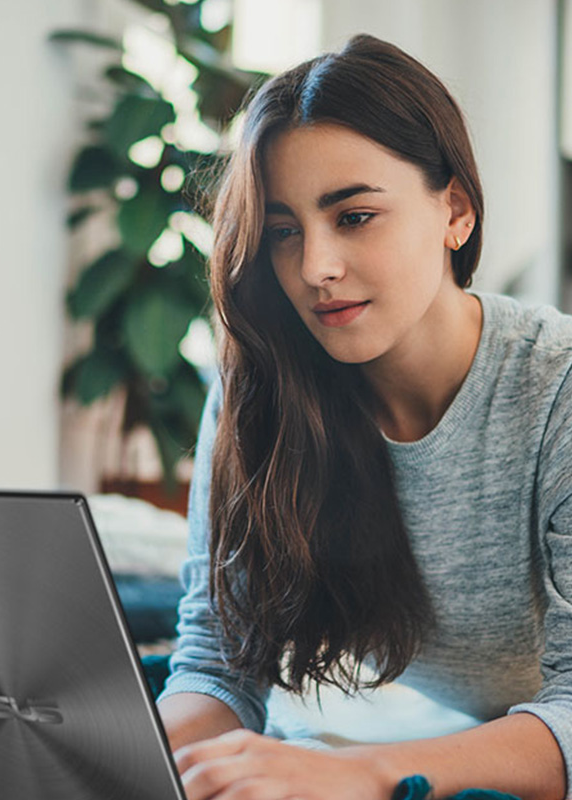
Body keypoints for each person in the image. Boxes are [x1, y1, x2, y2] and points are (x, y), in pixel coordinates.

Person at [155, 33, 571, 800]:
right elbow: (217, 659)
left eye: (354, 217)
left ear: (456, 210)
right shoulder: (263, 382)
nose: (315, 268)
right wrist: (153, 765)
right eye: (284, 231)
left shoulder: (557, 390)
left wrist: (362, 775)